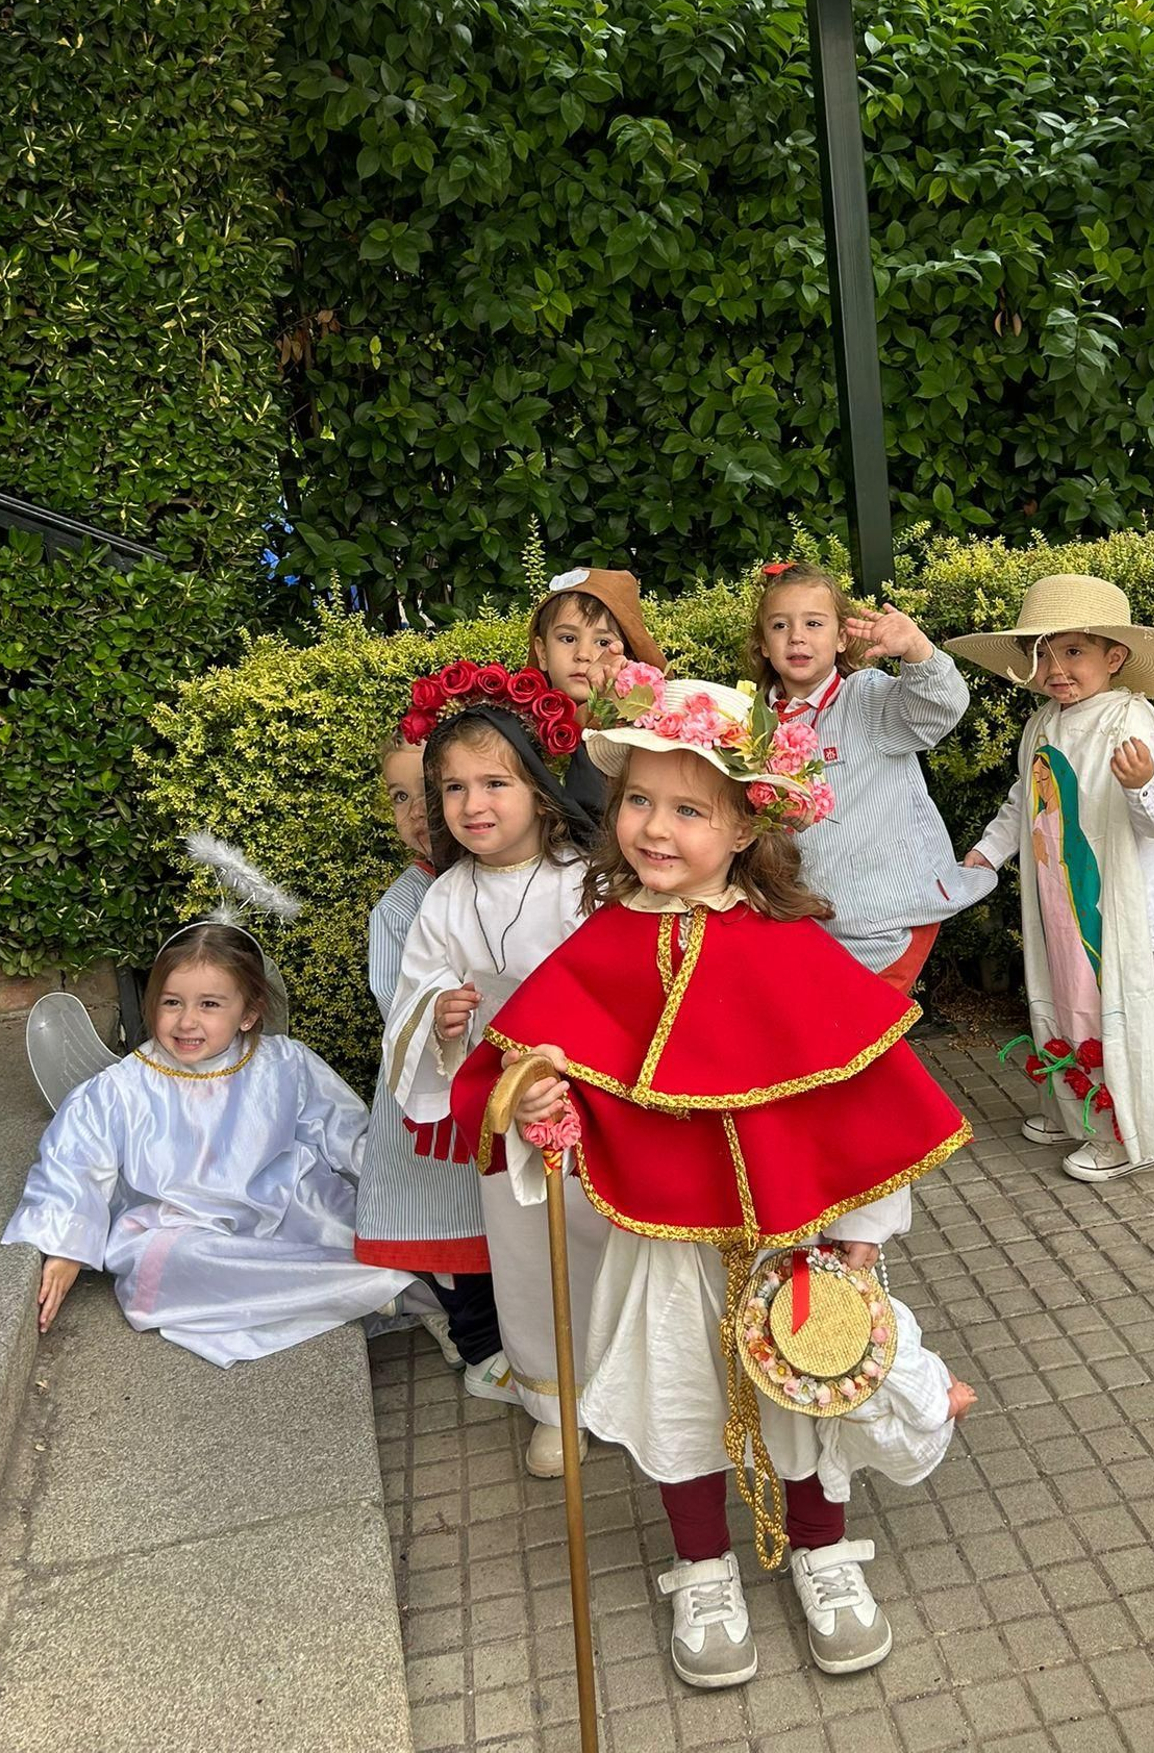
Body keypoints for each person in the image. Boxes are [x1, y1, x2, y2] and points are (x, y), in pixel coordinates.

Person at [448, 672, 976, 1690]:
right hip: (663, 1243)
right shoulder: (599, 946)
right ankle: (699, 1567)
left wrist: (862, 1229)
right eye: (639, 801)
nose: (655, 827)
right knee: (676, 1399)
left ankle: (822, 1551)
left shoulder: (788, 949)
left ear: (742, 828)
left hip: (794, 1244)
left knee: (809, 1397)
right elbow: (515, 1071)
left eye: (689, 809)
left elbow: (866, 1102)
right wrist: (538, 1105)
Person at [3, 922, 409, 1365]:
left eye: (210, 1004)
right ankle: (378, 1287)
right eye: (171, 1002)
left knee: (344, 1224)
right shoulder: (121, 1088)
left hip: (282, 1207)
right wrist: (65, 1249)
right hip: (179, 1224)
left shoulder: (283, 1063)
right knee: (158, 1260)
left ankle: (375, 1280)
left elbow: (345, 1131)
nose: (187, 1021)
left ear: (249, 1013)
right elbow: (75, 1160)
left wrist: (401, 1187)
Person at [387, 661, 605, 1478]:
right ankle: (554, 1402)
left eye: (495, 782)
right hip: (508, 1112)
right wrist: (440, 1017)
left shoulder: (587, 882)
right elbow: (420, 990)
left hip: (595, 1101)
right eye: (452, 788)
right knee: (525, 1255)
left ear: (542, 787)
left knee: (613, 1245)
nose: (473, 806)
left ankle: (626, 1387)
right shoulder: (446, 898)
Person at [948, 577, 1154, 1182]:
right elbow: (1024, 801)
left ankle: (1122, 1136)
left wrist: (1142, 785)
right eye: (1041, 654)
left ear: (1115, 658)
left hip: (1114, 909)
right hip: (1057, 901)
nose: (1054, 668)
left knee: (1109, 1011)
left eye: (1072, 652)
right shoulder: (1044, 723)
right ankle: (1072, 1106)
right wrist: (987, 853)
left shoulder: (1127, 722)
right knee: (1065, 1003)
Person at [355, 728, 517, 1398]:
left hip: (507, 1086)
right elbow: (396, 998)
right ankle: (479, 1346)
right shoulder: (400, 905)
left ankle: (512, 1334)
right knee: (453, 1229)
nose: (418, 810)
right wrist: (438, 1011)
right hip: (437, 1097)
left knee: (505, 1223)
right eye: (401, 796)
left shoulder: (508, 875)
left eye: (431, 788)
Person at [745, 562, 989, 990]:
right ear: (764, 644)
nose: (797, 636)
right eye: (780, 625)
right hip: (810, 919)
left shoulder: (867, 698)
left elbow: (940, 708)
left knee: (862, 1040)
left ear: (842, 637)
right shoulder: (752, 720)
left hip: (889, 919)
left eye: (814, 623)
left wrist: (916, 650)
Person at [528, 566, 666, 818]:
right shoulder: (521, 725)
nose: (583, 654)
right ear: (542, 653)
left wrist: (607, 708)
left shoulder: (645, 728)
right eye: (568, 639)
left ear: (628, 657)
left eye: (603, 643)